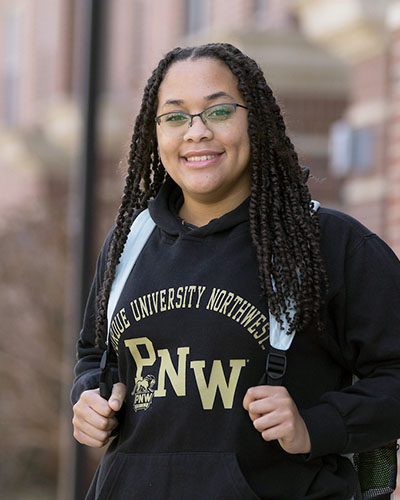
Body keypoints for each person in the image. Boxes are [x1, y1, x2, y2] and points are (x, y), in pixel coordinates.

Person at [71, 42, 400, 500]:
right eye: (175, 116)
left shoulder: (330, 244)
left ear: (256, 122)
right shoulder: (129, 243)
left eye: (219, 111)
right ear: (155, 133)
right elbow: (94, 353)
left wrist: (316, 425)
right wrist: (89, 396)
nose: (196, 132)